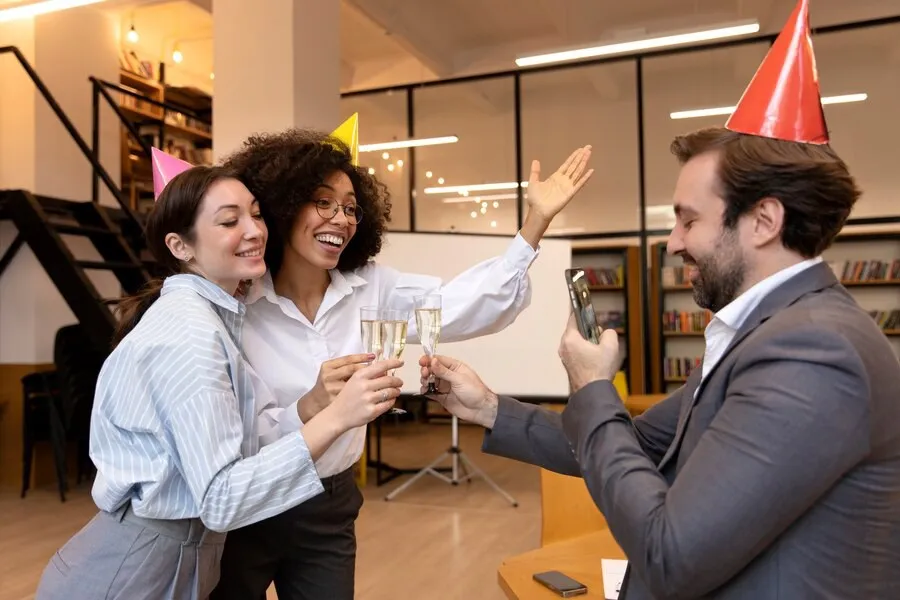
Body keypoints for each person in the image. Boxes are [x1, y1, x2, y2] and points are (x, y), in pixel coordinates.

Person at [418, 2, 900, 598]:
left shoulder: (812, 351)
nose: (673, 242)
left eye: (688, 220)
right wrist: (490, 407)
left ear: (764, 221)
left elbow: (671, 556)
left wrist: (594, 387)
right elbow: (642, 442)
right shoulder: (771, 330)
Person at [208, 116, 595, 600]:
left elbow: (462, 306)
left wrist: (535, 222)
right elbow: (223, 429)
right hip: (251, 506)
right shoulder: (235, 302)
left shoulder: (372, 286)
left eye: (351, 208)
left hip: (329, 502)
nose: (341, 219)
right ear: (282, 207)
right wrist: (309, 407)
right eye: (322, 202)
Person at [35, 150, 403, 600]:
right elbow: (221, 499)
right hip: (135, 572)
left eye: (256, 214)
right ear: (180, 246)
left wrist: (310, 408)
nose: (255, 231)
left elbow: (234, 445)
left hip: (174, 562)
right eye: (229, 221)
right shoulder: (190, 336)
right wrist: (337, 418)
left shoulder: (213, 318)